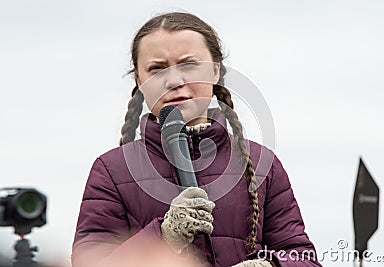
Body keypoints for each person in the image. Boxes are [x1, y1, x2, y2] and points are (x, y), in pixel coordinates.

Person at [72, 12, 322, 267]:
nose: (173, 80)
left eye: (188, 65)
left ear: (215, 71)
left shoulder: (262, 163)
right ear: (139, 80)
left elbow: (303, 258)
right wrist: (164, 236)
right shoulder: (111, 170)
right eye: (156, 69)